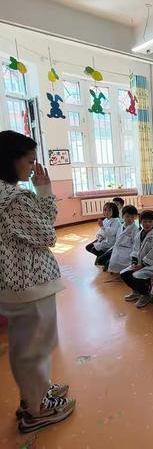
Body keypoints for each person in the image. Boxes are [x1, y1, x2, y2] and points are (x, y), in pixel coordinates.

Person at [0, 130, 75, 433]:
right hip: (29, 283)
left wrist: (40, 193)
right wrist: (44, 192)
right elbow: (48, 234)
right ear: (10, 160)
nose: (33, 167)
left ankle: (38, 391)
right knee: (33, 348)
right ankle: (36, 409)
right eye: (30, 160)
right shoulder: (16, 198)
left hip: (16, 282)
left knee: (30, 344)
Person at [122, 211, 153, 309]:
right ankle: (137, 292)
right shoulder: (139, 233)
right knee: (124, 273)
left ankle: (146, 295)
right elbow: (135, 249)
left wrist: (142, 265)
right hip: (140, 263)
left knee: (136, 275)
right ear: (141, 221)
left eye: (150, 221)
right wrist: (134, 261)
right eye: (145, 221)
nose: (147, 224)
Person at [107, 205, 139, 274]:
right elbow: (117, 238)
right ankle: (115, 269)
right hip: (118, 247)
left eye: (132, 217)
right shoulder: (121, 226)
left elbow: (135, 244)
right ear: (123, 216)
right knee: (113, 257)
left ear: (135, 217)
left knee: (122, 260)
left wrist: (134, 255)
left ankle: (125, 272)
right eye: (127, 216)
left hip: (128, 250)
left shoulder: (135, 229)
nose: (130, 219)